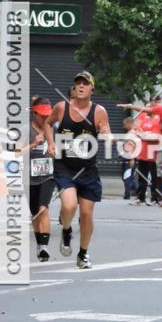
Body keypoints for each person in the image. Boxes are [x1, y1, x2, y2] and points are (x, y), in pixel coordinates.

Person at [45, 71, 110, 269]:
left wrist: (106, 134)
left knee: (87, 215)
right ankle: (66, 229)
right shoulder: (61, 107)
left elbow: (105, 131)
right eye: (78, 83)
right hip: (65, 167)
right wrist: (50, 143)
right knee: (69, 206)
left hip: (88, 169)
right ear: (74, 88)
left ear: (92, 89)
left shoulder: (99, 111)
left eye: (85, 83)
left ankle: (83, 254)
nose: (81, 86)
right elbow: (48, 124)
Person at [20, 97, 55, 261]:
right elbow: (16, 152)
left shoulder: (54, 129)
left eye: (47, 115)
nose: (45, 118)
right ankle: (39, 244)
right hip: (29, 178)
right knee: (35, 213)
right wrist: (33, 144)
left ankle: (45, 246)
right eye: (41, 115)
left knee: (44, 209)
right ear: (34, 113)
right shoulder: (26, 130)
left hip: (48, 176)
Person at [121, 117, 139, 200]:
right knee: (129, 176)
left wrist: (131, 159)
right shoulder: (132, 133)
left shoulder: (132, 134)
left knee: (127, 176)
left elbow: (132, 146)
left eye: (125, 124)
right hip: (128, 157)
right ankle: (137, 191)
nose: (124, 126)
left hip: (129, 157)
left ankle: (127, 194)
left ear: (129, 123)